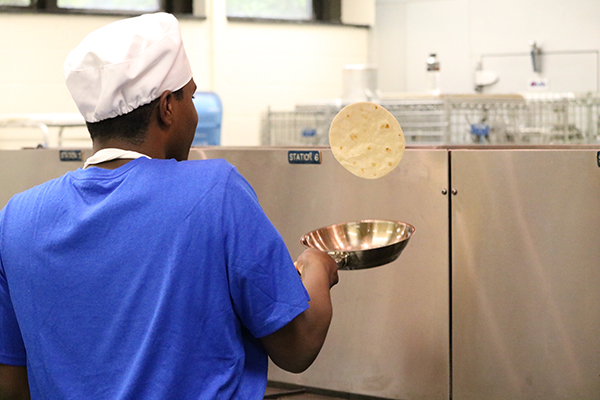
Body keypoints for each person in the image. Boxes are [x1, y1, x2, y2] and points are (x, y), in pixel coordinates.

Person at [0, 13, 338, 400]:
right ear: (167, 108)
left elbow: (10, 382)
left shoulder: (16, 219)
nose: (193, 112)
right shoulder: (216, 191)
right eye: (190, 97)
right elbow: (298, 344)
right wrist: (318, 267)